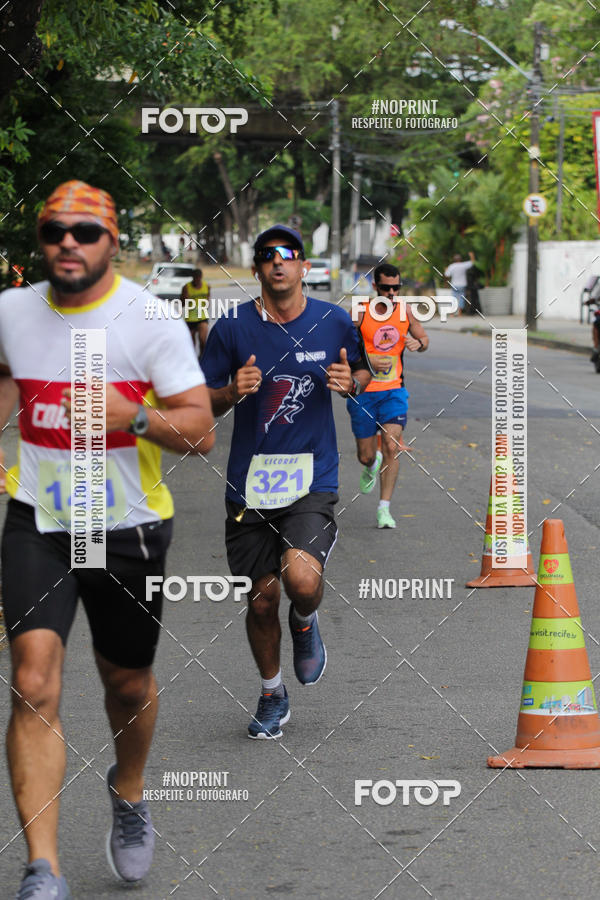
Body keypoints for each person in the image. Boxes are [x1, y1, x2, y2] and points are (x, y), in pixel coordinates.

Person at [0, 180, 215, 900]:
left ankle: (128, 790)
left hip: (127, 525)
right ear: (41, 237)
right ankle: (44, 868)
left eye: (84, 232)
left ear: (111, 242)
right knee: (32, 681)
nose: (68, 241)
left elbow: (200, 428)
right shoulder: (11, 311)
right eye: (55, 228)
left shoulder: (150, 320)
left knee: (126, 682)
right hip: (40, 520)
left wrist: (136, 415)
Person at [201, 224, 371, 740]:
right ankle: (272, 692)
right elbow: (197, 399)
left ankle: (305, 620)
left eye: (288, 255)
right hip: (248, 486)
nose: (278, 262)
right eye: (267, 255)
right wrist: (231, 391)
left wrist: (351, 384)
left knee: (300, 581)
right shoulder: (231, 329)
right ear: (255, 268)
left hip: (310, 479)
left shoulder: (334, 322)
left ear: (302, 267)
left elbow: (365, 372)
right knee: (260, 600)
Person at [348, 263, 429, 529]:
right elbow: (340, 346)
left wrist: (420, 344)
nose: (392, 292)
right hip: (363, 393)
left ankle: (384, 509)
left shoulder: (404, 311)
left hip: (394, 391)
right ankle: (372, 464)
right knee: (366, 455)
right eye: (386, 288)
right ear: (375, 287)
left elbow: (423, 338)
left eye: (397, 287)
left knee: (392, 445)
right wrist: (367, 359)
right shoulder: (360, 312)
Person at [180, 267, 211, 357]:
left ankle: (201, 359)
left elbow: (207, 300)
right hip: (190, 319)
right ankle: (193, 360)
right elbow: (181, 303)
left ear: (201, 277)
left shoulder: (207, 286)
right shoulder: (186, 287)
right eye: (195, 277)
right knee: (191, 344)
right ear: (192, 277)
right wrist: (185, 299)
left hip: (202, 317)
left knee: (203, 341)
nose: (197, 279)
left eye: (198, 277)